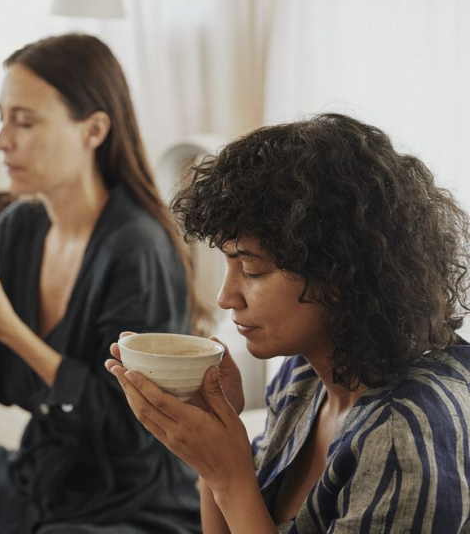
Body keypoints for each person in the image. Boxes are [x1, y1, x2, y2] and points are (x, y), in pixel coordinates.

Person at [0, 33, 207, 534]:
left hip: (126, 499)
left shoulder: (137, 248)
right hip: (37, 478)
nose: (2, 139)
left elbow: (130, 430)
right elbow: (3, 380)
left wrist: (9, 329)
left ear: (93, 130)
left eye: (23, 122)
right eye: (2, 117)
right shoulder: (20, 229)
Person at [107, 113, 470, 533]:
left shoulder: (403, 432)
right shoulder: (304, 378)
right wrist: (211, 446)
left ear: (339, 272)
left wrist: (230, 476)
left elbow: (238, 494)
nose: (226, 297)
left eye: (253, 270)